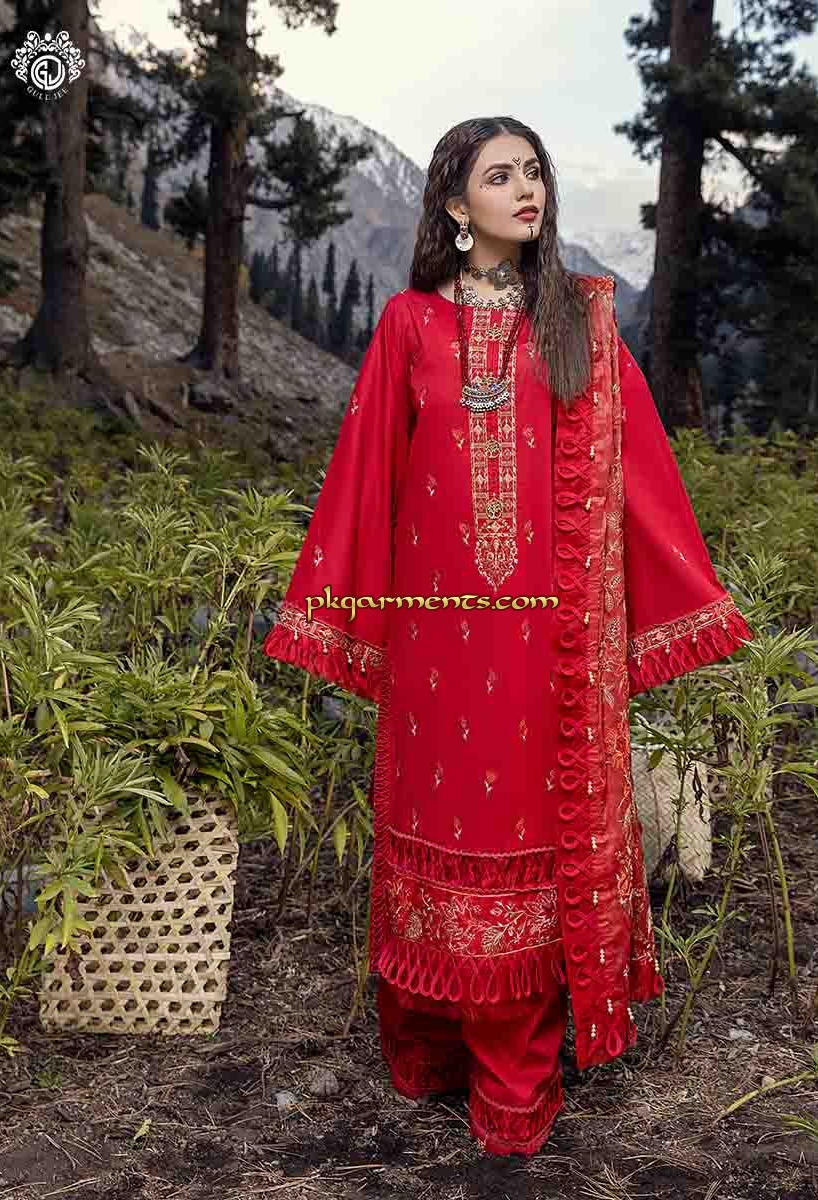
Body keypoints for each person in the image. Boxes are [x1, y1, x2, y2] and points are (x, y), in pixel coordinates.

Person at [263, 116, 753, 1157]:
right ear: (455, 204)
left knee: (530, 845)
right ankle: (433, 1046)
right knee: (437, 839)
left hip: (549, 650)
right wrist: (337, 617)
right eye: (500, 176)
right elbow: (367, 476)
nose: (527, 189)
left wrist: (675, 609)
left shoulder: (577, 323)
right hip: (436, 648)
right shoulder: (408, 325)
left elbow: (642, 473)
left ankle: (516, 1087)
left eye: (535, 171)